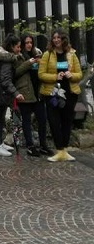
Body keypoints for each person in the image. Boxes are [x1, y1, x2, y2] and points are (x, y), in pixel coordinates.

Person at [38, 28, 82, 162]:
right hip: (52, 94)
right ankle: (59, 150)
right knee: (54, 121)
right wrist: (55, 77)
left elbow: (79, 74)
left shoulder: (71, 54)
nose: (56, 40)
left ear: (64, 39)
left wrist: (71, 75)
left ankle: (64, 151)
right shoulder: (47, 54)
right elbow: (41, 74)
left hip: (70, 93)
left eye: (59, 38)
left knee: (67, 121)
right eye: (54, 38)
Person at [19, 33, 51, 156]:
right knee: (26, 121)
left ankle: (43, 145)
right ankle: (30, 146)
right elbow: (16, 72)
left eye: (31, 42)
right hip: (26, 93)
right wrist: (29, 63)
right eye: (26, 42)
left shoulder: (37, 54)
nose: (29, 45)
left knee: (42, 119)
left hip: (38, 93)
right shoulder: (19, 56)